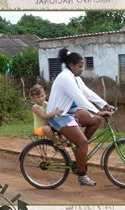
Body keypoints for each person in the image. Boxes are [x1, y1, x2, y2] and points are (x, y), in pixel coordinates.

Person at [46, 48, 114, 186]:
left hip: (68, 111)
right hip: (57, 116)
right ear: (72, 65)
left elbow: (87, 93)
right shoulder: (66, 78)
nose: (82, 69)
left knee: (96, 121)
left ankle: (79, 153)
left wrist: (105, 105)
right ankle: (82, 175)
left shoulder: (75, 77)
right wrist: (97, 111)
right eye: (80, 66)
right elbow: (79, 98)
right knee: (83, 142)